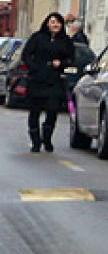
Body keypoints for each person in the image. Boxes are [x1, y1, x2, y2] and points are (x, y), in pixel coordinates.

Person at [22, 12, 75, 153]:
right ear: (47, 23)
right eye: (53, 22)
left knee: (52, 110)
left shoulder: (65, 41)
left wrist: (61, 63)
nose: (55, 25)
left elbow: (71, 58)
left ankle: (47, 138)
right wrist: (34, 67)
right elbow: (26, 55)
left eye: (58, 22)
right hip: (37, 80)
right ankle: (35, 141)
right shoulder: (37, 38)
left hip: (54, 81)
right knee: (34, 112)